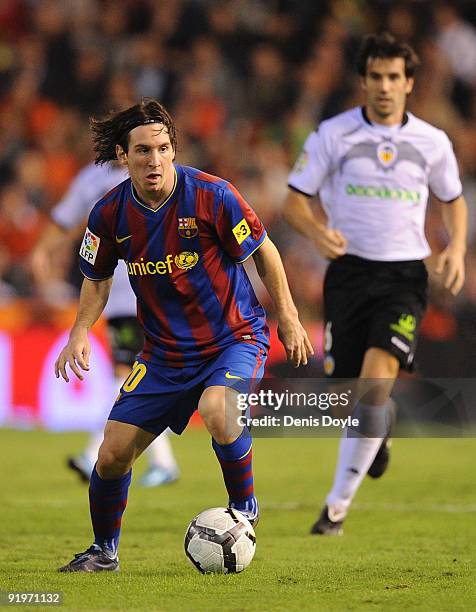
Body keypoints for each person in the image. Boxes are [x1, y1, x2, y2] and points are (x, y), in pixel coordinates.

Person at [55, 98, 313, 572]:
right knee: (111, 455)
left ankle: (245, 510)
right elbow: (96, 277)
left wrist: (289, 317)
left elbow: (264, 250)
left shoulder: (213, 195)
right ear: (122, 156)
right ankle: (103, 551)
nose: (154, 160)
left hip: (233, 338)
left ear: (174, 150)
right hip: (164, 354)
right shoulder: (108, 214)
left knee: (218, 408)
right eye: (143, 151)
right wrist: (79, 333)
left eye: (163, 148)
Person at [283, 32, 467, 535]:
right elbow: (294, 200)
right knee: (349, 395)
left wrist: (454, 248)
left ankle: (334, 511)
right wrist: (318, 232)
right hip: (348, 275)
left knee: (373, 384)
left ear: (409, 83)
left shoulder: (432, 142)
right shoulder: (332, 134)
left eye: (394, 77)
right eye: (376, 77)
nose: (385, 86)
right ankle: (377, 429)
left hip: (404, 275)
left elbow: (452, 198)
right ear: (363, 82)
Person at [31, 162, 180, 488]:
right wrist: (43, 249)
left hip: (153, 291)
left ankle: (104, 455)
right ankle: (155, 460)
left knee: (131, 375)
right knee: (135, 375)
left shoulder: (156, 172)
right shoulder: (92, 179)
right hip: (118, 298)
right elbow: (65, 219)